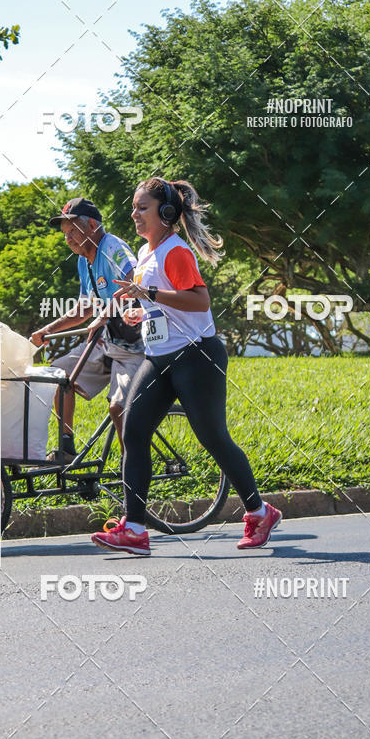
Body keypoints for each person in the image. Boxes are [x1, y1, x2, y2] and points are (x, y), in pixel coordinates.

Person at [91, 178, 281, 556]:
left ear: (165, 214)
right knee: (134, 431)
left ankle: (260, 511)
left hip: (197, 357)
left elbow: (200, 301)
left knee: (213, 438)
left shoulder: (175, 252)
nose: (134, 215)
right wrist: (139, 312)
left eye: (142, 208)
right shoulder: (147, 252)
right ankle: (134, 529)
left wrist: (151, 295)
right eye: (134, 208)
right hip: (159, 357)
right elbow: (160, 303)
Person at [30, 197, 144, 459]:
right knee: (59, 374)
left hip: (133, 344)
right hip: (105, 341)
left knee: (118, 408)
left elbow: (134, 284)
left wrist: (104, 314)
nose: (68, 239)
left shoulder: (113, 247)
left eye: (72, 231)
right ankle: (66, 446)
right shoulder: (84, 261)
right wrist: (49, 330)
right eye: (65, 234)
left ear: (92, 224)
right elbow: (85, 308)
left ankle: (133, 472)